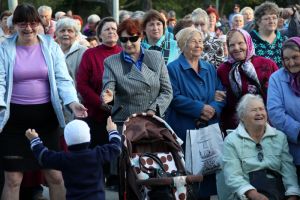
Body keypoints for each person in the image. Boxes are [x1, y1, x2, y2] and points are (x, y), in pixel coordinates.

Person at [0, 4, 88, 200]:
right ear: (14, 25)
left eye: (32, 23)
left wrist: (72, 102)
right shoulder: (4, 48)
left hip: (46, 121)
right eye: (22, 23)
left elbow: (63, 79)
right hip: (13, 123)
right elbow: (0, 81)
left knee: (55, 176)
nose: (28, 28)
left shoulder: (51, 46)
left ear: (39, 24)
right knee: (13, 179)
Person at [166, 27, 225, 200]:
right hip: (184, 130)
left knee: (206, 183)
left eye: (200, 41)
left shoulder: (209, 68)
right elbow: (173, 97)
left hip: (208, 129)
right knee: (187, 180)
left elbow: (221, 94)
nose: (198, 44)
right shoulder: (173, 69)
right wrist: (200, 108)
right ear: (183, 45)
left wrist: (213, 108)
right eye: (193, 41)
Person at [217, 94, 300, 200]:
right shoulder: (231, 141)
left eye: (261, 109)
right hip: (246, 195)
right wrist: (253, 195)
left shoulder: (279, 137)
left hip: (277, 192)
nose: (259, 113)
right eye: (253, 110)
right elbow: (233, 175)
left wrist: (293, 194)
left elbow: (288, 170)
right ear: (242, 116)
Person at [25, 117, 122, 200]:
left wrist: (34, 140)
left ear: (67, 140)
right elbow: (116, 147)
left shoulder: (64, 158)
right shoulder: (97, 154)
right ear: (89, 137)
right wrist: (112, 130)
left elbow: (44, 156)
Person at [102, 18, 173, 122]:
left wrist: (152, 111)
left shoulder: (157, 57)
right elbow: (109, 88)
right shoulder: (111, 62)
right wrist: (108, 97)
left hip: (154, 121)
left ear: (141, 37)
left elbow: (167, 91)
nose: (128, 43)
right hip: (126, 124)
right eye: (124, 40)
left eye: (133, 39)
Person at [217, 28, 278, 134]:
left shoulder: (267, 65)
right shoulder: (223, 70)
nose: (236, 48)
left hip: (267, 125)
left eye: (241, 43)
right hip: (235, 128)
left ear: (248, 42)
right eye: (232, 45)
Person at [77, 17, 121, 148]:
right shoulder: (90, 54)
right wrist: (100, 103)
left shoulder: (125, 53)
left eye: (114, 29)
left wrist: (116, 105)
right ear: (100, 34)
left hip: (121, 115)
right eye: (107, 29)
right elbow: (82, 84)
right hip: (96, 115)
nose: (111, 31)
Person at [267, 37, 300, 181]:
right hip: (294, 148)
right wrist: (298, 132)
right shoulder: (276, 78)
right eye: (286, 59)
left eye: (295, 57)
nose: (291, 63)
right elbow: (275, 112)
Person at [250, 1, 287, 68]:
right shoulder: (250, 41)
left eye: (274, 18)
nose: (271, 21)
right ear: (258, 22)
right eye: (267, 18)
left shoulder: (284, 40)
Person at [55, 18, 87, 84]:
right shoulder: (53, 51)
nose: (66, 33)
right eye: (62, 31)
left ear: (76, 34)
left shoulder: (84, 52)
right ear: (56, 33)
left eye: (70, 31)